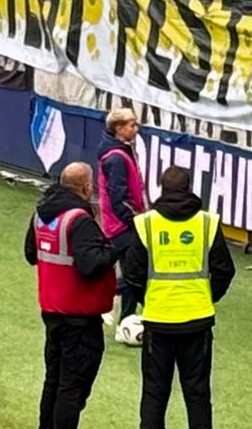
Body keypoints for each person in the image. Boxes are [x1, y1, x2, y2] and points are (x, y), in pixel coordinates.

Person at [119, 165, 236, 429]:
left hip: (158, 321)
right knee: (197, 395)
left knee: (154, 393)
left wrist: (148, 299)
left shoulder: (146, 223)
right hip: (198, 319)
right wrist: (208, 296)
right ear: (189, 188)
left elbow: (132, 273)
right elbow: (224, 269)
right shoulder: (207, 222)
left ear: (162, 189)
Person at [25, 161, 119, 428]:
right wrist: (114, 250)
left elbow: (31, 254)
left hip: (52, 311)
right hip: (80, 316)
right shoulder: (80, 220)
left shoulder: (40, 214)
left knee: (53, 380)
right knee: (73, 386)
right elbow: (90, 266)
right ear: (86, 186)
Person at [97, 107, 149, 336]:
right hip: (122, 225)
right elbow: (118, 196)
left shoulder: (120, 150)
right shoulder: (116, 157)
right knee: (136, 273)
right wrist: (136, 219)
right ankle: (104, 297)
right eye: (132, 125)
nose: (136, 129)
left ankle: (125, 322)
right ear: (119, 128)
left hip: (121, 222)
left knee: (132, 270)